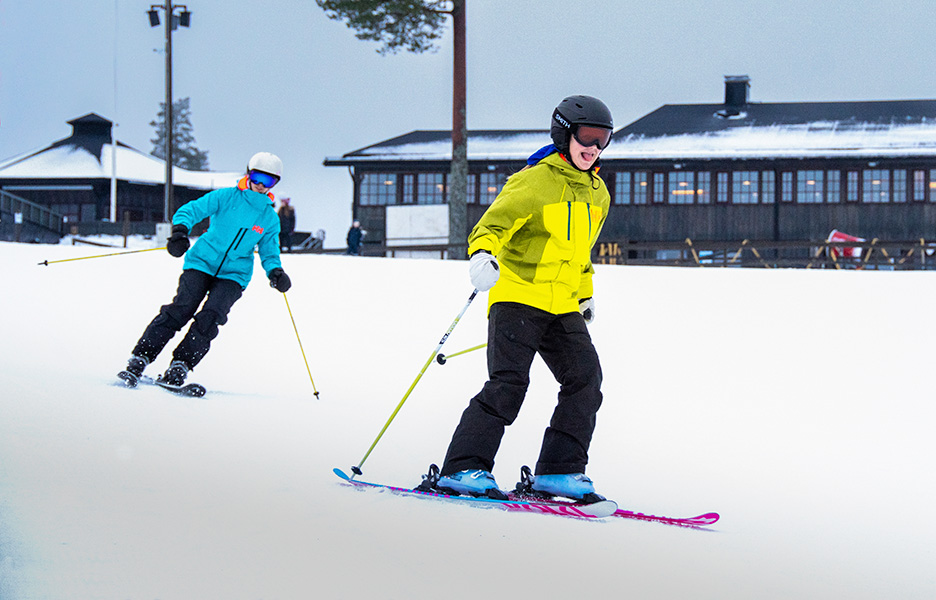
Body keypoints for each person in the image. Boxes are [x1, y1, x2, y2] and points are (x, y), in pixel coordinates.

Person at [432, 95, 614, 502]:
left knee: (586, 380)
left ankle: (560, 470)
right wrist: (482, 255)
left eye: (603, 140)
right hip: (517, 297)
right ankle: (463, 468)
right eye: (587, 137)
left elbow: (580, 253)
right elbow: (492, 225)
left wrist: (584, 295)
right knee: (509, 383)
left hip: (563, 305)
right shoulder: (532, 181)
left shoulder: (598, 192)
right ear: (564, 133)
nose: (593, 148)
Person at [117, 152, 292, 388]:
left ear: (275, 184)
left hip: (234, 275)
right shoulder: (226, 197)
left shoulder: (269, 218)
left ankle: (181, 366)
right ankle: (141, 357)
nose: (261, 185)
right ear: (248, 173)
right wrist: (179, 232)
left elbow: (270, 250)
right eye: (258, 177)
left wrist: (275, 272)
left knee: (211, 317)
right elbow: (190, 210)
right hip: (201, 263)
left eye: (268, 181)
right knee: (182, 308)